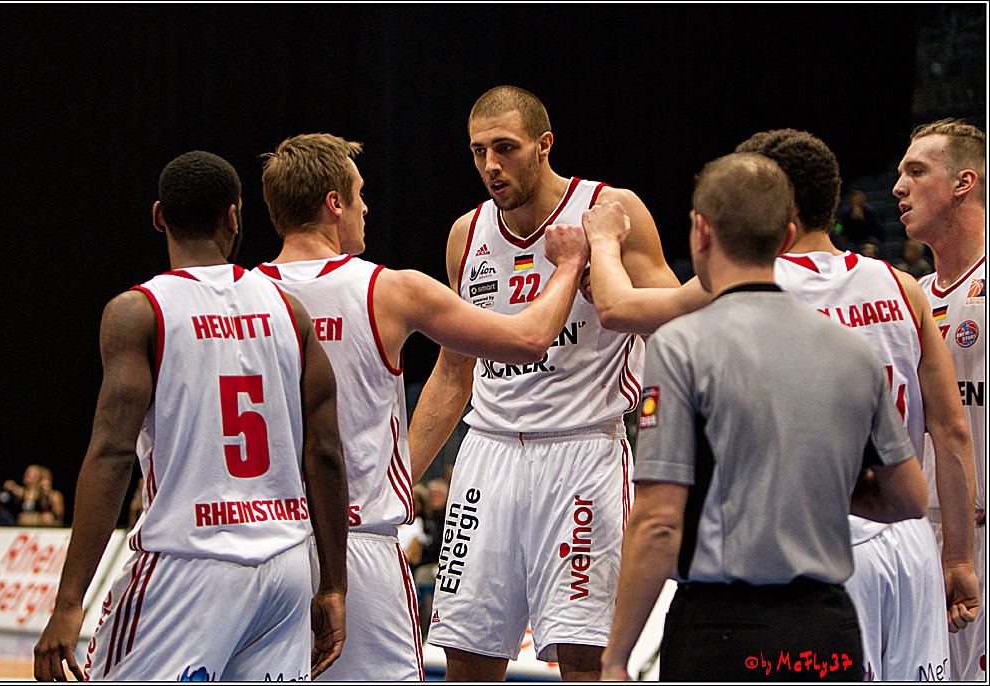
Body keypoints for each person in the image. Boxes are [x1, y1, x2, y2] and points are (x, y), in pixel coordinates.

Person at [254, 132, 590, 681]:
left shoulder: (239, 300)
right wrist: (570, 264)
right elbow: (529, 339)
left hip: (263, 546)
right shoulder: (390, 290)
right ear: (334, 204)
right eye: (359, 194)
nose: (365, 208)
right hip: (357, 544)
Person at [599, 152, 929, 681]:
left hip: (723, 631)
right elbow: (909, 498)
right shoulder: (852, 351)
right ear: (786, 237)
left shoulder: (683, 345)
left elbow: (659, 521)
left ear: (701, 232)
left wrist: (616, 658)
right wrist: (805, 484)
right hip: (828, 631)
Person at [33, 151, 349, 681]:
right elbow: (325, 452)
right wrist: (334, 585)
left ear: (159, 217)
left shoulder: (139, 311)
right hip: (285, 568)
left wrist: (69, 602)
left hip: (187, 564)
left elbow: (112, 453)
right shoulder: (289, 311)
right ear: (234, 217)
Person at [407, 85, 679, 681]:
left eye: (505, 148)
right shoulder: (466, 233)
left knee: (586, 658)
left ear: (543, 144)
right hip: (488, 456)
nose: (490, 165)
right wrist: (396, 485)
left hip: (582, 452)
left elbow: (678, 330)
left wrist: (610, 283)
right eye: (478, 151)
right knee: (464, 657)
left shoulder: (609, 210)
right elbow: (452, 372)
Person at [737, 128, 978, 679]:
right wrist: (959, 556)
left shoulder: (748, 287)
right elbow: (952, 430)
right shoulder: (904, 287)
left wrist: (603, 245)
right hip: (914, 535)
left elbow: (626, 307)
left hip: (823, 537)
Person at [894, 118, 986, 681]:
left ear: (963, 183)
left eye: (916, 171)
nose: (898, 187)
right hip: (924, 537)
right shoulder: (913, 297)